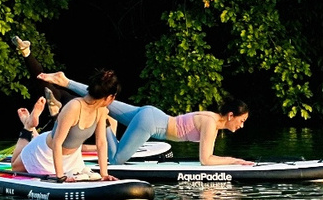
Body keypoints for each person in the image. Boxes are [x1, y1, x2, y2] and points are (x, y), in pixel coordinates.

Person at [37, 69, 254, 166]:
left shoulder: (210, 119)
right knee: (116, 159)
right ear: (231, 115)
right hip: (151, 124)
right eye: (242, 121)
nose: (242, 126)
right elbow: (206, 160)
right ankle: (105, 125)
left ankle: (64, 81)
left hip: (150, 114)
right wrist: (235, 161)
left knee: (105, 100)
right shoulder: (211, 123)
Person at [10, 68, 120, 183]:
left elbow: (101, 142)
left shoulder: (101, 110)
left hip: (72, 159)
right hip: (45, 154)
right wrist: (60, 176)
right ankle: (28, 126)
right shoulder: (74, 107)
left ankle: (31, 129)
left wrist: (104, 174)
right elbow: (57, 142)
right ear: (109, 97)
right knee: (15, 166)